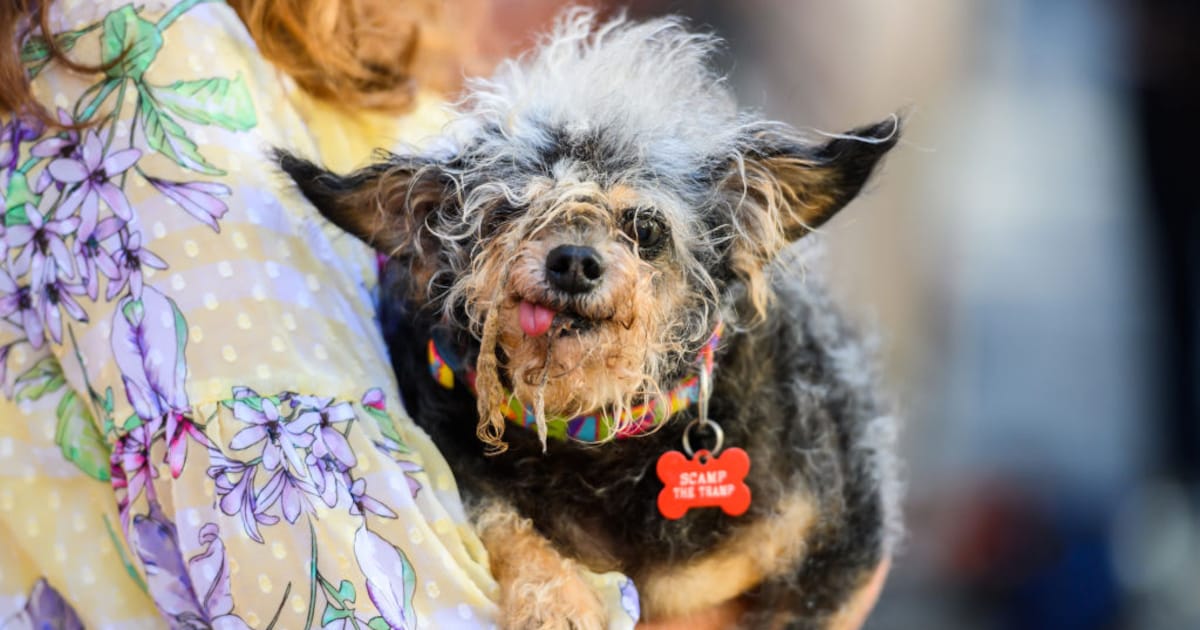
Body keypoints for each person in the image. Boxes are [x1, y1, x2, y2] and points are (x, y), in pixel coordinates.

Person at [0, 1, 883, 628]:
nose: (577, 256)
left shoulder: (396, 95)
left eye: (639, 229)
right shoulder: (149, 54)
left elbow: (853, 561)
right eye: (521, 219)